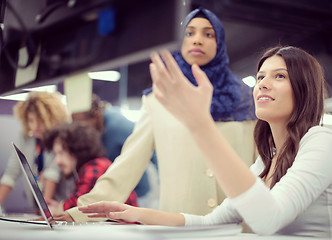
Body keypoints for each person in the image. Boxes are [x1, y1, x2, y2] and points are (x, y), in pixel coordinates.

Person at [79, 46, 332, 238]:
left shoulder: (322, 141)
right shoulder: (267, 159)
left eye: (279, 76)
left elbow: (269, 220)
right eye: (260, 77)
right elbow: (209, 222)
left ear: (304, 88)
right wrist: (134, 213)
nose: (262, 84)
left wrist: (200, 124)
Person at [58, 7, 257, 222]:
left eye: (208, 34)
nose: (197, 40)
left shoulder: (247, 99)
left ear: (220, 43)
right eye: (189, 33)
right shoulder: (158, 100)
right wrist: (78, 213)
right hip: (177, 223)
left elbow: (263, 165)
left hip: (239, 226)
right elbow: (128, 164)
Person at [71, 94, 156, 201]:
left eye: (80, 122)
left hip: (136, 192)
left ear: (96, 116)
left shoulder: (118, 126)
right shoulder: (97, 128)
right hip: (115, 190)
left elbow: (151, 152)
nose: (78, 128)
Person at [42, 122, 138, 215]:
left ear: (76, 148)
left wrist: (53, 210)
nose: (57, 161)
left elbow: (75, 210)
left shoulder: (94, 170)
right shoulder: (94, 165)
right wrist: (59, 207)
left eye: (61, 153)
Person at [0, 91, 71, 211]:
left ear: (53, 118)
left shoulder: (61, 138)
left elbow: (52, 174)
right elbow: (11, 173)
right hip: (37, 208)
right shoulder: (26, 137)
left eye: (41, 121)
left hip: (58, 208)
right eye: (31, 120)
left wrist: (45, 212)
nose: (35, 126)